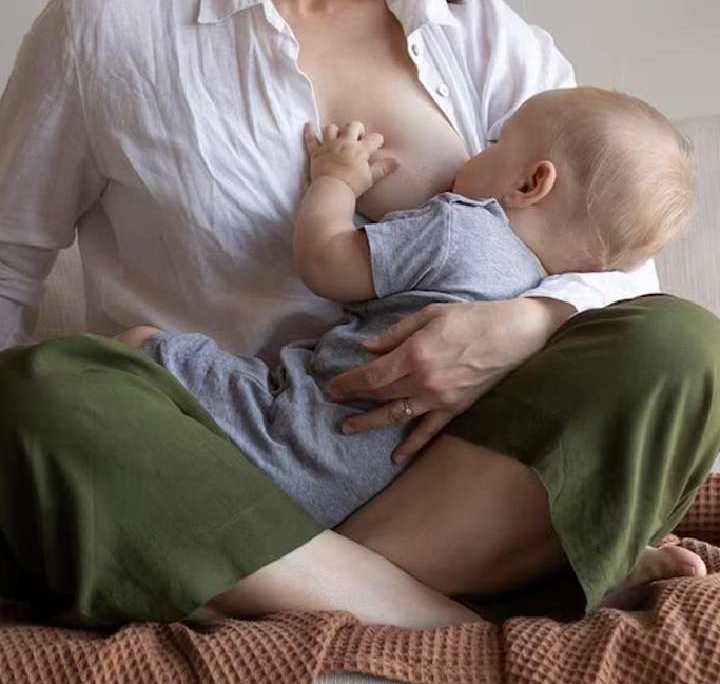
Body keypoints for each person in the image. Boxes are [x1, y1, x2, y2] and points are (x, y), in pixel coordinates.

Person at [0, 0, 718, 630]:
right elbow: (7, 265)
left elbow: (623, 269)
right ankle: (437, 618)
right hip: (205, 459)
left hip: (439, 478)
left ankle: (288, 586)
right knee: (39, 396)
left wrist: (522, 326)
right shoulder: (109, 26)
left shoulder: (487, 44)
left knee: (682, 345)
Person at [115, 86, 708, 609]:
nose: (473, 154)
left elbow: (324, 260)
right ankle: (587, 555)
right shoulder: (551, 313)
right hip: (387, 493)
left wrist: (336, 180)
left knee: (132, 350)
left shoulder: (461, 229)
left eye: (495, 144)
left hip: (288, 439)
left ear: (531, 183)